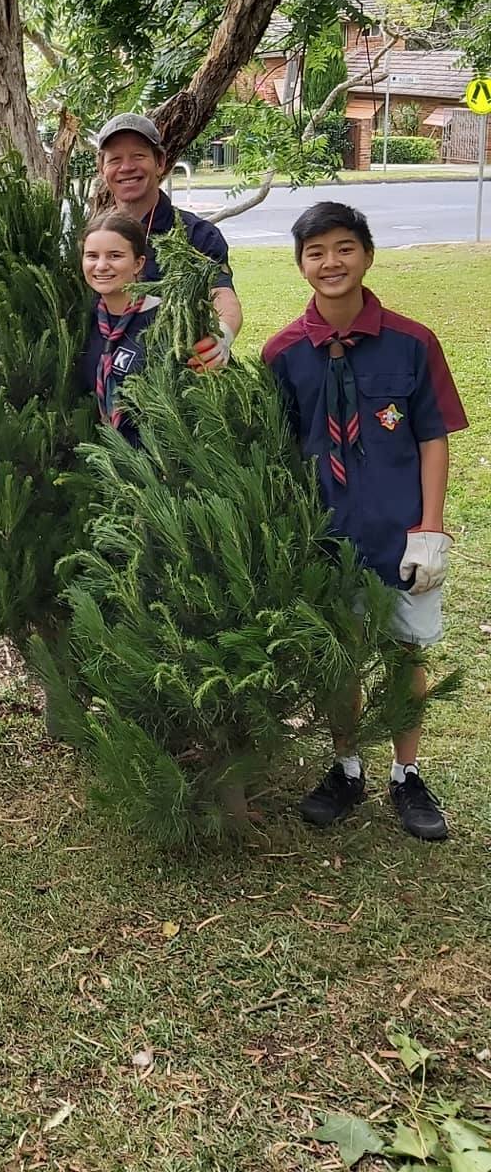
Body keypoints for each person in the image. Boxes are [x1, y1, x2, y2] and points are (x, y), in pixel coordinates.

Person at [263, 202, 468, 841]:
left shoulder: (413, 341)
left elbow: (433, 437)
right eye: (316, 252)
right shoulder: (283, 353)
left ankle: (407, 775)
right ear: (300, 265)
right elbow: (278, 450)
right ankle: (346, 766)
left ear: (368, 255)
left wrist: (430, 528)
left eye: (344, 248)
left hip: (398, 532)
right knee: (340, 656)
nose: (331, 262)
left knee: (404, 652)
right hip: (324, 536)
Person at [94, 112, 243, 372]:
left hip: (174, 383)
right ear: (102, 168)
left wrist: (223, 336)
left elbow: (221, 294)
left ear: (160, 161)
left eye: (138, 156)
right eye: (115, 159)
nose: (127, 167)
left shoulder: (198, 235)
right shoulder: (94, 238)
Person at [77, 212, 162, 445]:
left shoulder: (165, 321)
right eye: (92, 256)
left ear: (138, 263)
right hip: (98, 462)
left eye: (115, 256)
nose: (101, 266)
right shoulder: (81, 320)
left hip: (157, 465)